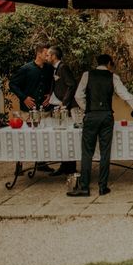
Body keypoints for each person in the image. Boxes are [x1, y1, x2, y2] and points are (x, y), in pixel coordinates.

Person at [67, 54, 133, 197]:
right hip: (106, 116)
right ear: (109, 64)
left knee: (87, 152)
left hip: (91, 115)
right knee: (105, 152)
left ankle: (84, 187)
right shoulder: (113, 77)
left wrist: (87, 108)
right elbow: (125, 94)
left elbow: (78, 96)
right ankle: (102, 187)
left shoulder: (87, 75)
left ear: (97, 63)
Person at [9, 42, 54, 172]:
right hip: (28, 110)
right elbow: (13, 84)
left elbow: (53, 84)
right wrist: (24, 97)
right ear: (39, 54)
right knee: (25, 138)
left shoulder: (49, 69)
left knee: (43, 137)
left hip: (44, 109)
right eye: (46, 54)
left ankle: (41, 163)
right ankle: (20, 163)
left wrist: (50, 95)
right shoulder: (25, 69)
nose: (48, 56)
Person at [46, 46, 78, 176]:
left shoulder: (63, 67)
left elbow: (71, 84)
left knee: (68, 137)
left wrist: (64, 104)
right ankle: (64, 166)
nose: (47, 57)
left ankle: (70, 168)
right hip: (58, 106)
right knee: (62, 137)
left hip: (65, 108)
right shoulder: (56, 68)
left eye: (48, 55)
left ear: (54, 56)